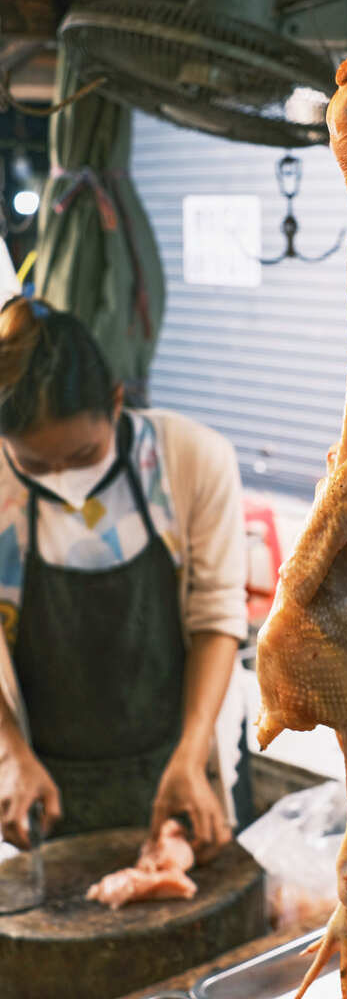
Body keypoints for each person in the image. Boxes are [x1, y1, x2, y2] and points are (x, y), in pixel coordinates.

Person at [0, 296, 250, 858]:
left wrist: (190, 755)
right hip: (47, 775)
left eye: (83, 453)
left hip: (179, 755)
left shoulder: (191, 458)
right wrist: (9, 753)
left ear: (116, 403)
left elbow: (216, 615)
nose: (64, 478)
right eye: (35, 466)